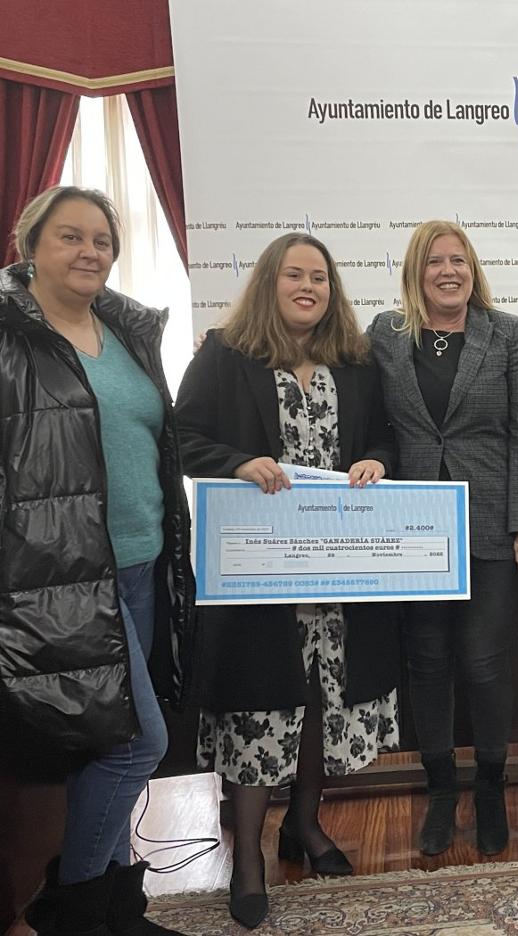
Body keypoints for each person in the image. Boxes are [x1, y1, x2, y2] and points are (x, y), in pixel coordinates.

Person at [176, 233, 400, 929]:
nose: (310, 287)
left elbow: (385, 438)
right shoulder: (225, 355)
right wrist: (238, 461)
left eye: (321, 279)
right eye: (296, 276)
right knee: (256, 709)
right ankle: (247, 858)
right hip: (258, 579)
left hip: (338, 576)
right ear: (270, 283)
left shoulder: (357, 364)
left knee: (319, 705)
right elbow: (179, 437)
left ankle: (303, 825)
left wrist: (375, 463)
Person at [0, 186, 195, 936]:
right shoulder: (12, 336)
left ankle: (118, 909)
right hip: (61, 582)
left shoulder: (126, 329)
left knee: (113, 745)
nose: (89, 253)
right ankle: (75, 911)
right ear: (31, 246)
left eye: (102, 241)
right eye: (69, 237)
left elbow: (150, 441)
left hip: (143, 566)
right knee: (136, 744)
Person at [368, 221, 518, 858]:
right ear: (417, 271)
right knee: (428, 661)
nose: (449, 271)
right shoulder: (386, 337)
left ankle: (491, 786)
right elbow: (373, 422)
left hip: (492, 524)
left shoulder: (507, 333)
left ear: (473, 269)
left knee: (483, 661)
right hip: (414, 525)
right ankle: (441, 790)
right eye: (435, 262)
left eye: (460, 261)